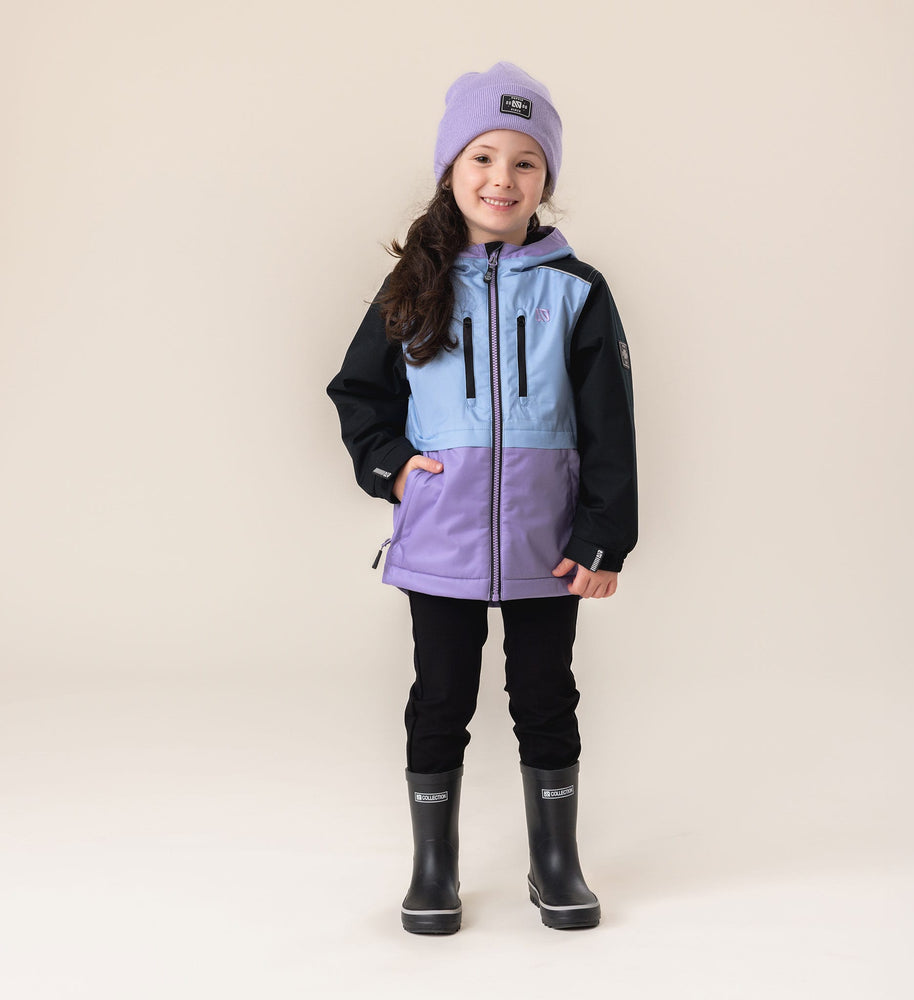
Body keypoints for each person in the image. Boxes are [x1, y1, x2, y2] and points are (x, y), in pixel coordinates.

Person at [327, 62, 638, 934]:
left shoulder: (577, 290)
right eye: (483, 157)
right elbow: (359, 395)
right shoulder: (411, 288)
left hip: (549, 541)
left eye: (526, 162)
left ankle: (555, 863)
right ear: (451, 170)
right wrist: (393, 467)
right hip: (442, 537)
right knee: (440, 698)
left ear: (546, 180)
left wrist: (603, 538)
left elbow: (611, 424)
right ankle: (434, 869)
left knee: (547, 697)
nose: (503, 178)